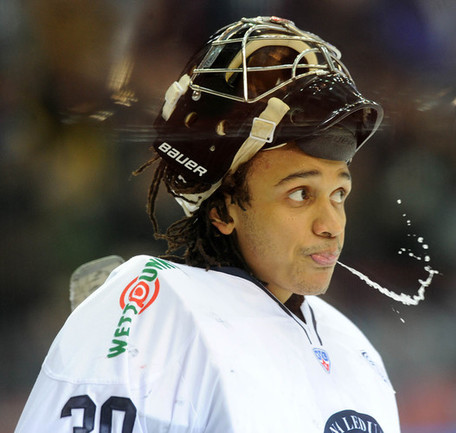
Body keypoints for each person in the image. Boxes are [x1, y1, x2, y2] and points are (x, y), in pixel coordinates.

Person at [15, 16, 399, 433]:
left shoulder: (354, 348)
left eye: (339, 193)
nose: (331, 225)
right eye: (299, 194)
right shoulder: (153, 312)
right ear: (223, 210)